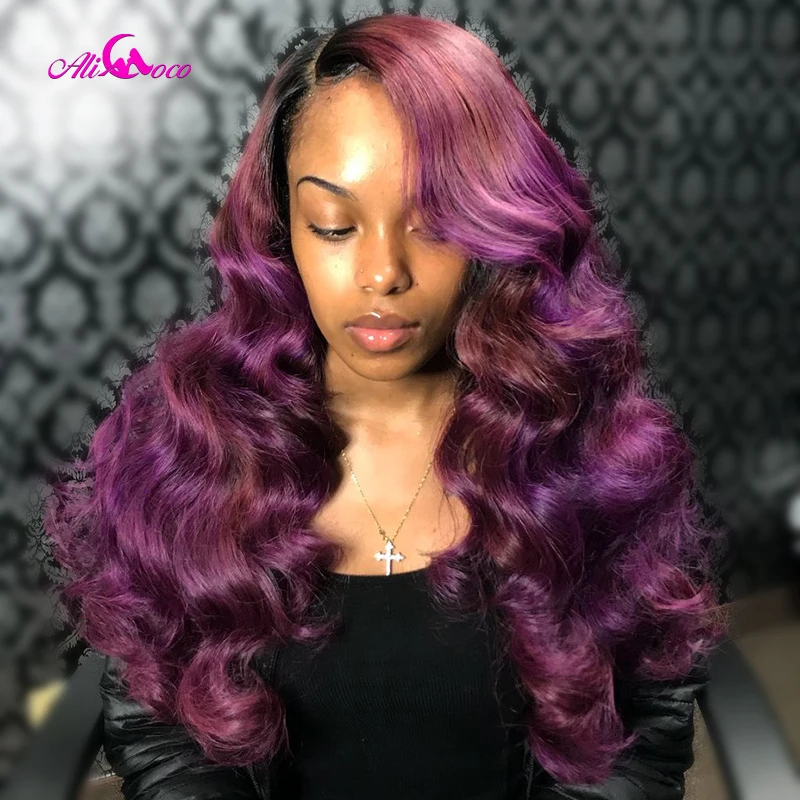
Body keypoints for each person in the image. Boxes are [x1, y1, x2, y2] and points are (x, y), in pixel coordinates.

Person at [46, 13, 729, 800]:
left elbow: (634, 737)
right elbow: (164, 728)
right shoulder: (187, 455)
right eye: (335, 226)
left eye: (433, 224)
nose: (382, 273)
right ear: (283, 233)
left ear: (492, 226)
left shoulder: (584, 452)